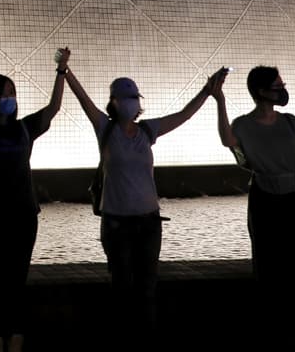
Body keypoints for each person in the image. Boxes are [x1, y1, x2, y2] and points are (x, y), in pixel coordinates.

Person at [63, 56, 225, 335]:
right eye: (126, 98)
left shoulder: (147, 130)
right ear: (113, 102)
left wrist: (207, 90)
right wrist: (64, 70)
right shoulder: (105, 128)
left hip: (149, 221)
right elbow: (83, 99)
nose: (131, 103)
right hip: (117, 223)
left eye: (134, 98)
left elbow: (184, 115)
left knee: (147, 288)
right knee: (123, 286)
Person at [0, 48, 66, 352]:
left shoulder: (24, 128)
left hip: (23, 215)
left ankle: (16, 336)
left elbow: (53, 108)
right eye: (5, 93)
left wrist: (61, 71)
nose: (10, 97)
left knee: (17, 278)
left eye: (13, 92)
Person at [212, 66, 295, 281]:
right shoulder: (243, 124)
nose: (283, 90)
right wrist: (220, 100)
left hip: (294, 196)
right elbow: (227, 139)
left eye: (282, 85)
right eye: (277, 86)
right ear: (261, 91)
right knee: (268, 260)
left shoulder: (290, 121)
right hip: (264, 198)